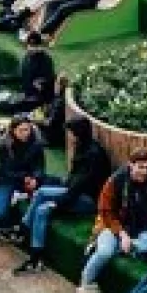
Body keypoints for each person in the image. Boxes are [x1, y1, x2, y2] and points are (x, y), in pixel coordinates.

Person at [13, 117, 112, 275]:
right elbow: (74, 180)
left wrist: (58, 203)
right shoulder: (82, 146)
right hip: (74, 191)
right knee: (41, 203)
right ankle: (35, 256)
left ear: (78, 133)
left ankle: (23, 231)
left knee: (44, 201)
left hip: (88, 200)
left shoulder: (94, 154)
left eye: (72, 132)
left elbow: (80, 186)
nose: (70, 136)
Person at [80, 149, 147, 293]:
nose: (144, 171)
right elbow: (105, 212)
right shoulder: (115, 181)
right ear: (131, 165)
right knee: (105, 252)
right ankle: (85, 286)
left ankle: (122, 247)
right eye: (140, 167)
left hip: (139, 228)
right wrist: (122, 234)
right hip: (111, 225)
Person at [0, 115, 46, 239]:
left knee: (46, 194)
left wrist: (36, 178)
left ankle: (20, 227)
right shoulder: (4, 143)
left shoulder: (36, 143)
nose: (25, 133)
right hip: (6, 180)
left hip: (27, 180)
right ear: (13, 130)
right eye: (21, 130)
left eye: (27, 129)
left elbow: (40, 166)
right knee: (1, 213)